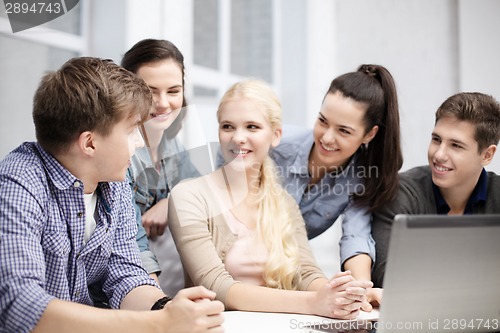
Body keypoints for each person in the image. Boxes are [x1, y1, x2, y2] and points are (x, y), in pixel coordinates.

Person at [0, 57, 224, 333]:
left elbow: (125, 273)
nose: (140, 142)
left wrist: (168, 308)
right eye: (131, 131)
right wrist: (158, 324)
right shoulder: (19, 182)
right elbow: (20, 305)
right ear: (90, 143)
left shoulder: (112, 180)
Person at [168, 79, 373, 319]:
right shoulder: (188, 196)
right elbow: (216, 286)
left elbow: (306, 273)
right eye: (227, 127)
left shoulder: (284, 202)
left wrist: (343, 294)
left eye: (252, 127)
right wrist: (313, 302)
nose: (238, 138)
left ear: (275, 136)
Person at [269, 64, 402, 305]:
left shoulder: (363, 176)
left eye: (344, 130)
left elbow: (356, 236)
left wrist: (359, 290)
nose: (327, 137)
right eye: (323, 121)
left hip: (290, 275)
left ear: (369, 135)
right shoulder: (274, 145)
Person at [371, 92, 500, 288]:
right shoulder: (399, 193)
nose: (439, 155)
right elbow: (388, 278)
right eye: (436, 139)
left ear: (487, 155)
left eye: (456, 145)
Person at [121, 39, 200, 295]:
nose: (163, 102)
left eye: (173, 91)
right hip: (127, 287)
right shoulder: (120, 154)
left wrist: (172, 201)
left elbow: (204, 187)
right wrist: (160, 307)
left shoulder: (172, 145)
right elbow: (131, 241)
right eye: (150, 91)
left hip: (166, 285)